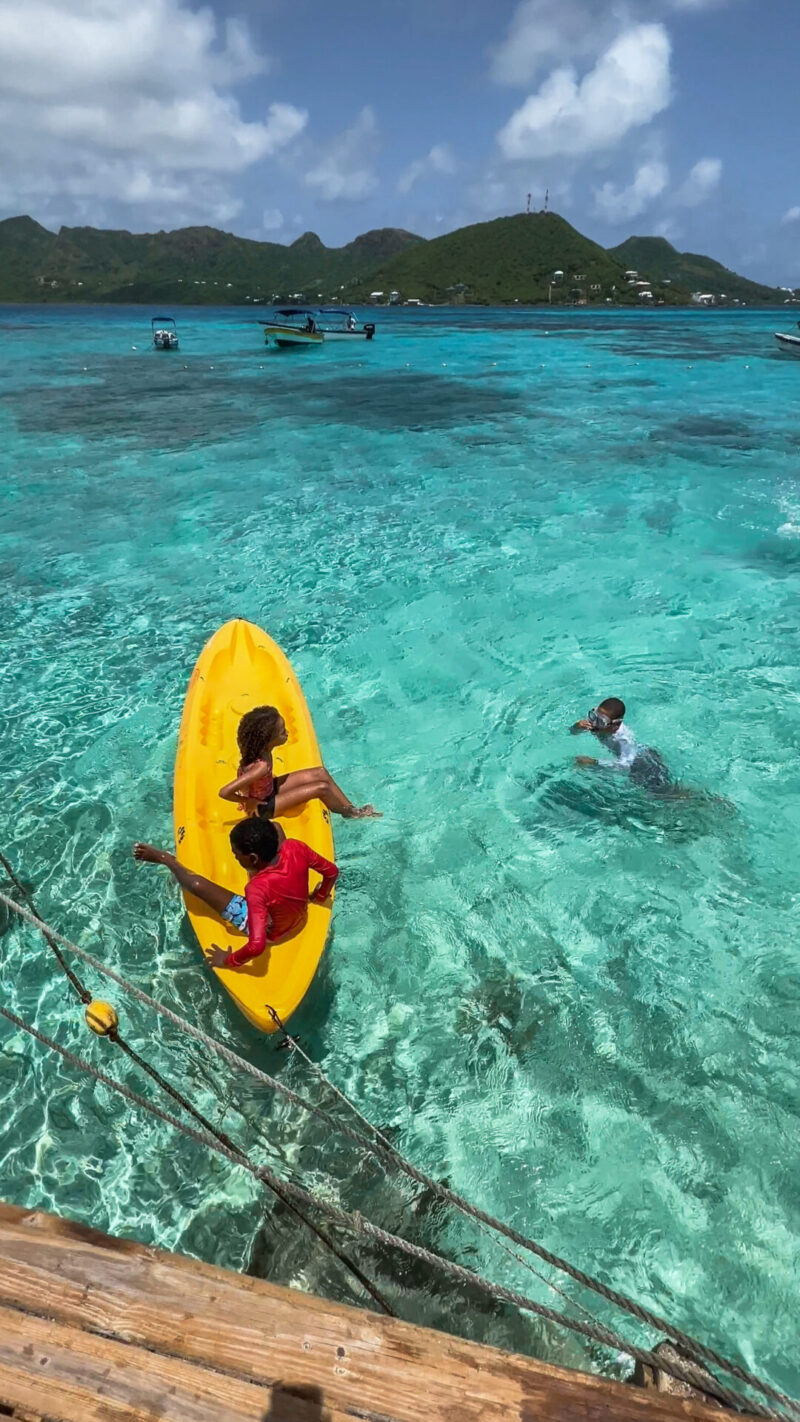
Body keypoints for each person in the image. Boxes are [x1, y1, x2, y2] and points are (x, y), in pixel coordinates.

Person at [133, 817, 338, 969]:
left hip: (273, 932)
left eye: (236, 854)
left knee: (196, 885)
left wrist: (228, 961)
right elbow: (332, 871)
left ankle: (165, 859)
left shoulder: (256, 890)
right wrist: (319, 896)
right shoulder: (295, 847)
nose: (234, 856)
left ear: (253, 858)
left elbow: (257, 945)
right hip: (299, 916)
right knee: (275, 826)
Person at [219, 705, 380, 820]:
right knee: (321, 788)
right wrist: (248, 801)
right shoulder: (260, 767)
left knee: (320, 773)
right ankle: (353, 815)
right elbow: (224, 792)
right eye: (282, 732)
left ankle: (350, 808)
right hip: (264, 807)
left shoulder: (257, 749)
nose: (287, 733)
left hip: (268, 791)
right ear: (268, 740)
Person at [570, 696, 673, 792]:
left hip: (641, 763)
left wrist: (594, 762)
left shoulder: (623, 740)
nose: (594, 723)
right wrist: (577, 726)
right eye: (593, 716)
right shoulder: (599, 724)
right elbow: (572, 733)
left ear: (616, 725)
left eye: (601, 721)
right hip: (633, 758)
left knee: (661, 793)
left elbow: (624, 766)